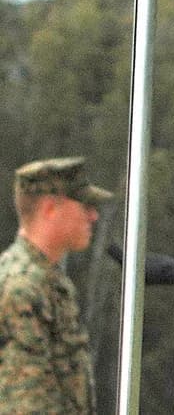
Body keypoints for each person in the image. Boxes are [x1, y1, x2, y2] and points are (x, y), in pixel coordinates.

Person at [0, 156, 114, 414]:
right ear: (51, 209)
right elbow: (27, 401)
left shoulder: (50, 281)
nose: (93, 216)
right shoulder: (22, 286)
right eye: (84, 206)